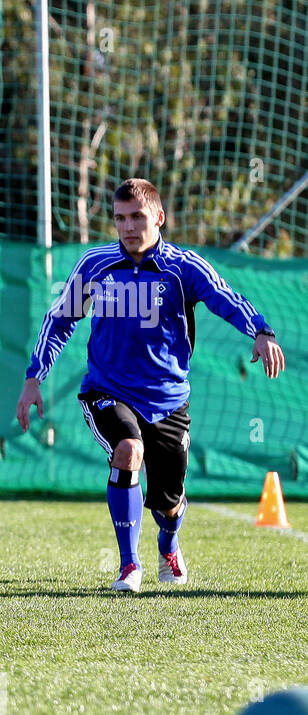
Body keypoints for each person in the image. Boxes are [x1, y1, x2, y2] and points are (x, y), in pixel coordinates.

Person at [17, 178, 286, 592]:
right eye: (120, 218)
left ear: (159, 217)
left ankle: (169, 544)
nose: (127, 226)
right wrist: (35, 377)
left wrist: (261, 331)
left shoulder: (184, 268)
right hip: (108, 389)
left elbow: (225, 297)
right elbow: (60, 319)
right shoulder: (95, 265)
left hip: (168, 399)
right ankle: (128, 565)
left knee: (170, 503)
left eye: (137, 216)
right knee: (127, 452)